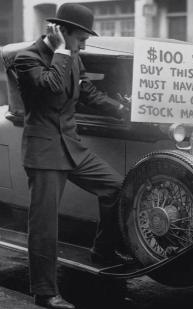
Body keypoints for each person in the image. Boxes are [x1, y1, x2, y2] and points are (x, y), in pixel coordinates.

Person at [14, 3, 133, 308]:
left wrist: (121, 108)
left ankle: (102, 251)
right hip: (44, 152)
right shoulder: (26, 59)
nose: (84, 43)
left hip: (71, 146)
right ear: (61, 31)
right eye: (81, 37)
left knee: (117, 189)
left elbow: (86, 92)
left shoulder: (73, 56)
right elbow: (52, 88)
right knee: (44, 227)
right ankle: (45, 293)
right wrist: (61, 52)